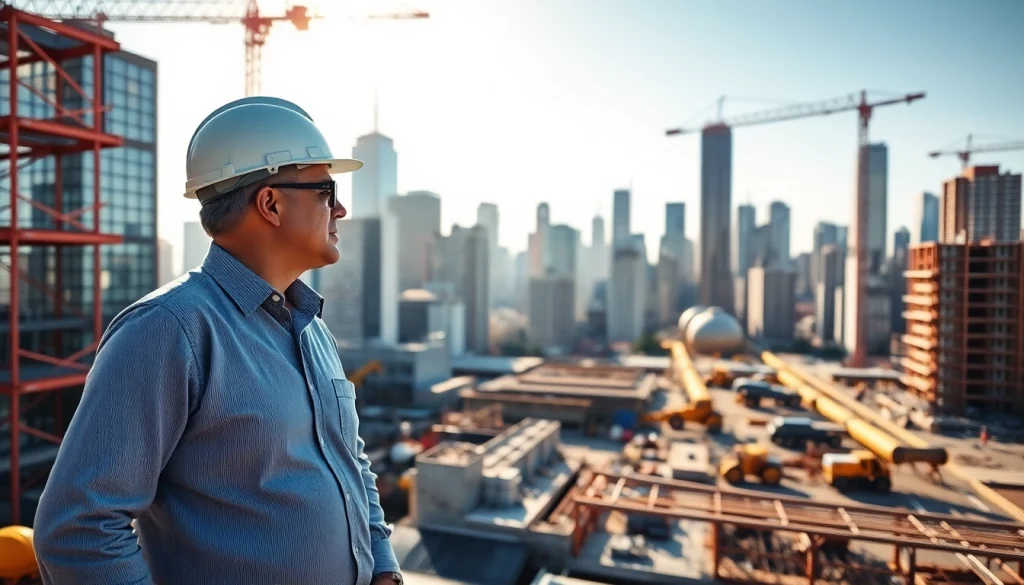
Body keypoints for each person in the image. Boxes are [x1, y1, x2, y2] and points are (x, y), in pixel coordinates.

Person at [33, 97, 404, 585]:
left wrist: (381, 565)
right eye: (325, 190)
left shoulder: (312, 328)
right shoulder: (168, 331)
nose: (340, 208)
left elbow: (349, 459)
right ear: (270, 203)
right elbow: (77, 530)